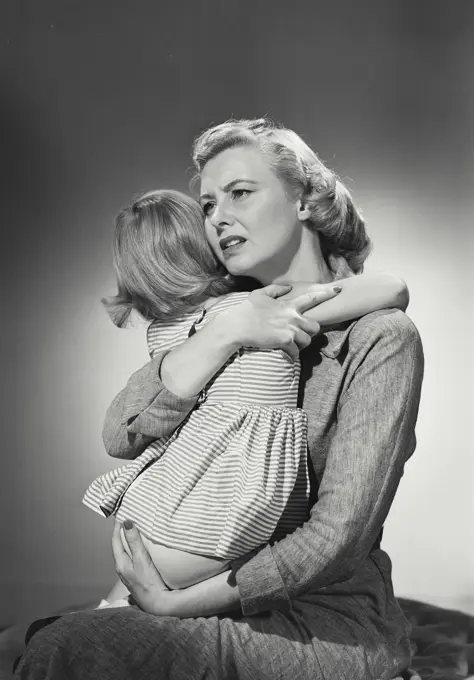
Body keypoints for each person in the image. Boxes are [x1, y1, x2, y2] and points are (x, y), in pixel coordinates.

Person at [14, 118, 424, 680]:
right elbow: (121, 434)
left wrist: (175, 604)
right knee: (60, 641)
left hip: (323, 622)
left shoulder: (379, 339)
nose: (219, 217)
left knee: (72, 650)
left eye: (240, 193)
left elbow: (337, 537)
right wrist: (223, 335)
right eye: (207, 205)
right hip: (196, 593)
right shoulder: (217, 316)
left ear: (303, 200)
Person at [83, 188, 409, 600]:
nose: (220, 221)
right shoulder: (255, 308)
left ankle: (108, 613)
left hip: (155, 509)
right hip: (219, 517)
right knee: (114, 625)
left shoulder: (164, 334)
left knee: (109, 617)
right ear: (203, 248)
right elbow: (391, 289)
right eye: (208, 210)